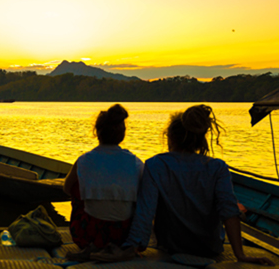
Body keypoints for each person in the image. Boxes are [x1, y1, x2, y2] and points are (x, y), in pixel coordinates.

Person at [121, 105, 274, 265]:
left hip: (171, 245)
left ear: (171, 137)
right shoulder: (218, 167)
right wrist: (240, 255)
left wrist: (134, 246)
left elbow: (146, 211)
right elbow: (229, 212)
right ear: (201, 139)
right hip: (209, 248)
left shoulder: (156, 165)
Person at [63, 104, 144, 260]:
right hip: (123, 236)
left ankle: (95, 246)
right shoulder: (136, 163)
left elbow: (67, 188)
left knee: (76, 189)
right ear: (122, 134)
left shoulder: (84, 160)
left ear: (97, 133)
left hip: (87, 235)